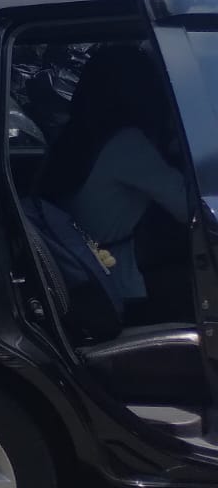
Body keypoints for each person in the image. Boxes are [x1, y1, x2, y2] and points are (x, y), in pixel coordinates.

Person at [37, 43, 188, 314]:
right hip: (121, 284)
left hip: (84, 276)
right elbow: (189, 208)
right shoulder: (127, 144)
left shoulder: (76, 136)